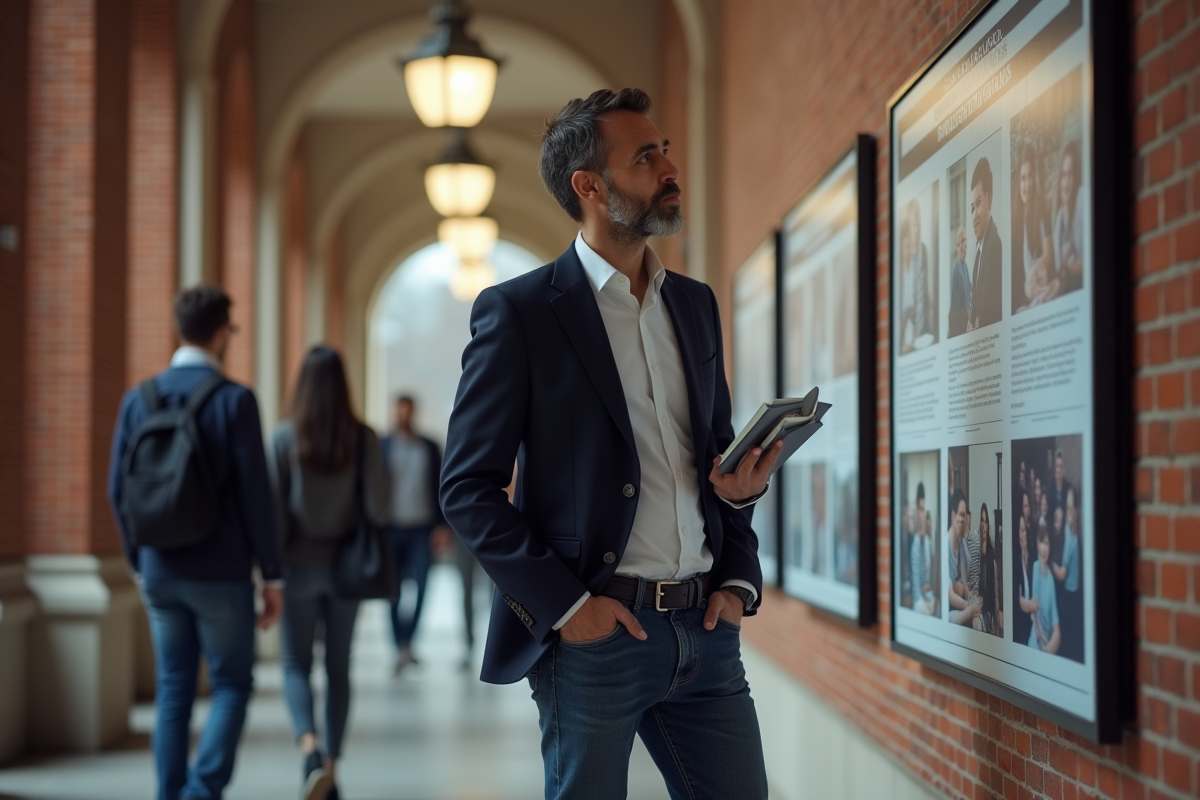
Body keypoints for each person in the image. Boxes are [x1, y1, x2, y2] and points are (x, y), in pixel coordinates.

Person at [440, 88, 779, 799]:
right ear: (590, 186)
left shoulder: (694, 304)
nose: (669, 167)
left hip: (707, 632)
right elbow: (467, 491)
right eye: (646, 155)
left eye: (665, 150)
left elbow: (715, 461)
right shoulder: (520, 314)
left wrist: (738, 575)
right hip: (597, 639)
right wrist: (570, 610)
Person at [108, 286, 283, 800]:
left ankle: (170, 794)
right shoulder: (235, 401)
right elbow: (256, 495)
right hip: (222, 572)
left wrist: (139, 562)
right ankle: (201, 793)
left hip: (159, 570)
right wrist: (270, 574)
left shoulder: (136, 400)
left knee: (173, 692)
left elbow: (116, 490)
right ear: (221, 331)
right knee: (231, 685)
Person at [269, 346, 387, 800]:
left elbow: (274, 516)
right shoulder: (363, 439)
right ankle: (332, 770)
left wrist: (271, 576)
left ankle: (309, 751)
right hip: (347, 571)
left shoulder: (282, 439)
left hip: (297, 568)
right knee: (339, 668)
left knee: (296, 663)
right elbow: (378, 508)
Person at [380, 395, 450, 671]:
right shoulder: (381, 446)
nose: (403, 417)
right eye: (399, 412)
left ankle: (408, 642)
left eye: (408, 412)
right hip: (391, 530)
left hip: (423, 529)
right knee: (392, 591)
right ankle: (400, 646)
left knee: (423, 587)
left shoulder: (430, 447)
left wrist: (443, 525)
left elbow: (442, 486)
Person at [1014, 142, 1058, 311]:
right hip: (1024, 297)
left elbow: (1049, 253)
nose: (1027, 184)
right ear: (1018, 182)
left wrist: (1035, 271)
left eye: (1031, 176)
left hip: (1039, 289)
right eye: (1023, 178)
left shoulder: (1041, 211)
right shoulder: (1015, 220)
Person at [967, 157, 1003, 331]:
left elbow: (988, 318)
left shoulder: (994, 248)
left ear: (989, 199)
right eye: (971, 207)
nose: (974, 215)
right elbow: (975, 309)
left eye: (978, 203)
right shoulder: (980, 251)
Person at [1052, 487, 1082, 662]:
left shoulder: (1073, 538)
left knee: (1069, 640)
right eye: (1067, 507)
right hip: (1067, 592)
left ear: (1077, 511)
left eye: (1072, 508)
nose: (1068, 511)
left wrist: (1051, 563)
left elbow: (1062, 574)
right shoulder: (1066, 527)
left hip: (1071, 596)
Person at [1053, 141, 1084, 294]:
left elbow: (1085, 264)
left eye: (1070, 175)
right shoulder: (1060, 217)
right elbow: (1059, 269)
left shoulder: (1083, 197)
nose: (1065, 183)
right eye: (1063, 175)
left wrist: (1068, 262)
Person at [947, 490, 982, 626]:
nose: (963, 521)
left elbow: (964, 584)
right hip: (951, 608)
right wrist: (968, 606)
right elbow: (951, 594)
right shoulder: (947, 543)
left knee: (977, 617)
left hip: (962, 599)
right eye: (961, 515)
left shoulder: (962, 543)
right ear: (953, 515)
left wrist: (971, 598)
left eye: (965, 517)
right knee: (973, 614)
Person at [1029, 522, 1061, 654]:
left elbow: (1055, 622)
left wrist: (1048, 647)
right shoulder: (1035, 567)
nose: (1043, 548)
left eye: (1046, 543)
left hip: (1046, 643)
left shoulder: (1051, 580)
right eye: (1041, 542)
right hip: (1035, 640)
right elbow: (1034, 611)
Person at [909, 483, 936, 615]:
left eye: (924, 509)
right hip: (919, 599)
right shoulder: (915, 544)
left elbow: (929, 577)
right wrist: (924, 602)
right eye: (920, 509)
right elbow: (916, 588)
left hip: (928, 594)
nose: (922, 514)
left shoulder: (927, 542)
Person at [978, 503, 1002, 636]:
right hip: (980, 611)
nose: (983, 525)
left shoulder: (991, 552)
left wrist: (998, 613)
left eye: (985, 521)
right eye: (981, 521)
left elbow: (996, 588)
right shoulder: (976, 549)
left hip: (991, 611)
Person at [1013, 513, 1035, 648]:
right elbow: (1020, 601)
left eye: (1025, 530)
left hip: (1034, 623)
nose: (1023, 534)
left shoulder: (1034, 559)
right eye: (1020, 530)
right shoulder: (1015, 560)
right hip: (1021, 626)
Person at [949, 226, 972, 337]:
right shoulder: (956, 269)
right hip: (960, 329)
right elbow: (955, 310)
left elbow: (969, 288)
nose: (964, 245)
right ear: (957, 246)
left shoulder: (965, 266)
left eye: (965, 240)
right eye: (962, 241)